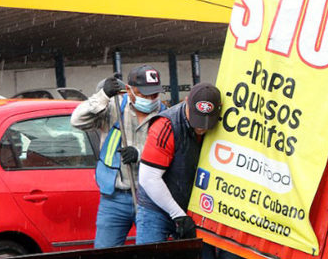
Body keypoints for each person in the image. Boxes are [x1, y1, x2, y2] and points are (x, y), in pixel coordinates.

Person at [71, 64, 165, 248]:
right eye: (144, 94)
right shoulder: (114, 108)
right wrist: (103, 96)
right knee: (105, 256)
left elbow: (169, 152)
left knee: (151, 256)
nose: (150, 99)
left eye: (154, 94)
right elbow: (77, 120)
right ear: (129, 90)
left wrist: (139, 153)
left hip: (151, 199)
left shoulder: (166, 115)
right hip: (114, 199)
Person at [136, 82, 221, 244]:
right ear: (186, 102)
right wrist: (178, 215)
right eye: (197, 118)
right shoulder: (165, 125)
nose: (201, 127)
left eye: (207, 121)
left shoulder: (221, 127)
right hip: (156, 208)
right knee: (150, 258)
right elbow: (149, 178)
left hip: (193, 207)